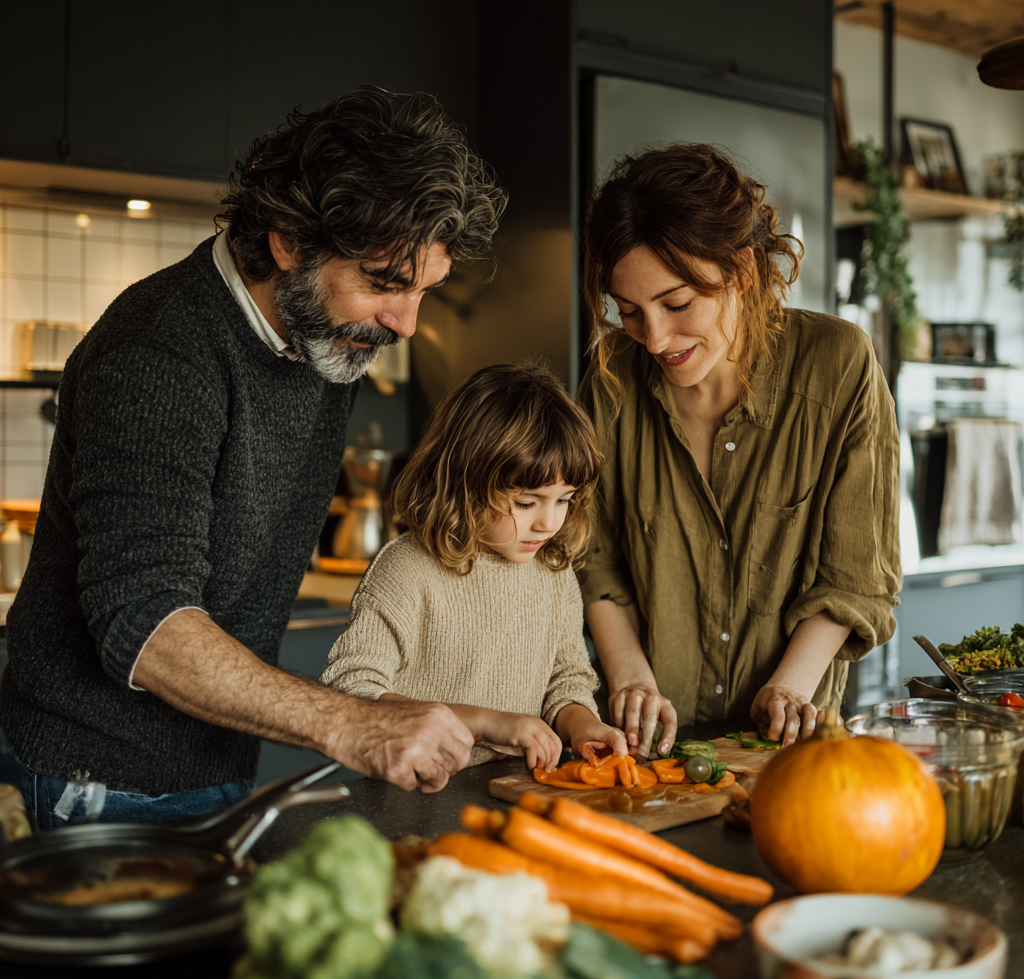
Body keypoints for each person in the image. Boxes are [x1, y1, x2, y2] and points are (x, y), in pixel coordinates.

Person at [0, 86, 508, 827]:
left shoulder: (323, 341)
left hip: (213, 764)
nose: (405, 321)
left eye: (426, 289)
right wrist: (352, 726)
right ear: (289, 243)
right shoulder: (162, 349)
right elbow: (145, 625)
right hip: (95, 780)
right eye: (384, 283)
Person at [577, 143, 900, 757]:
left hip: (789, 752)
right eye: (630, 313)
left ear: (743, 272)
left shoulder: (839, 365)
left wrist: (788, 688)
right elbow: (592, 556)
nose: (655, 339)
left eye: (676, 304)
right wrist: (631, 679)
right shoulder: (612, 377)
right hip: (647, 751)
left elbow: (857, 578)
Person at [320, 364, 629, 767]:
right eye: (526, 502)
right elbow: (350, 693)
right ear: (465, 481)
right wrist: (485, 723)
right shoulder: (407, 570)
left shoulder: (554, 573)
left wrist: (582, 723)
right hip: (413, 804)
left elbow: (565, 681)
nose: (549, 522)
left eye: (564, 499)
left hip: (512, 793)